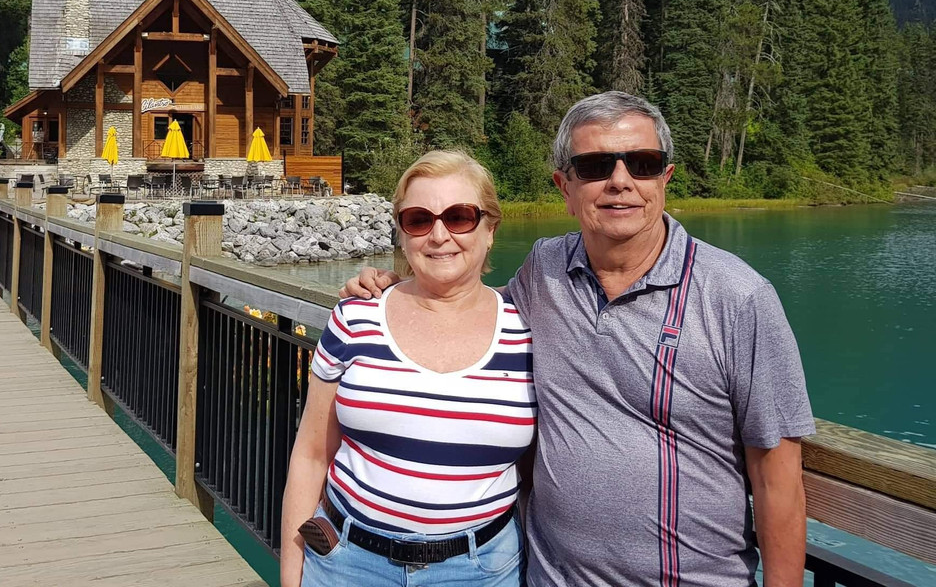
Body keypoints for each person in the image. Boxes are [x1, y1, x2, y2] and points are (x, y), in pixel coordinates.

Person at [344, 91, 814, 587]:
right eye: (594, 167)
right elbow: (470, 307)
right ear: (564, 187)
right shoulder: (545, 270)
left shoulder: (737, 298)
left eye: (643, 163)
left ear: (665, 179)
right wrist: (403, 290)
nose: (620, 181)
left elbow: (778, 479)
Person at [282, 150, 535, 587]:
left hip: (482, 570)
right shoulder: (356, 318)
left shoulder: (528, 332)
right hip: (347, 564)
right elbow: (310, 456)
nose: (439, 235)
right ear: (401, 234)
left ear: (490, 229)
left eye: (459, 217)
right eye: (419, 220)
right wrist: (291, 576)